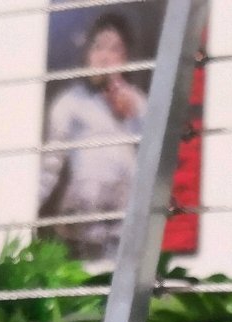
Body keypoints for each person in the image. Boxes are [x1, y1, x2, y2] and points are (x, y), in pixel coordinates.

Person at [38, 13, 147, 261]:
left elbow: (155, 159)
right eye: (98, 47)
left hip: (126, 219)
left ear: (126, 58)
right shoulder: (70, 103)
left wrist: (131, 115)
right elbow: (50, 164)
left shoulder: (138, 102)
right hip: (85, 220)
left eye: (115, 49)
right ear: (86, 53)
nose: (105, 57)